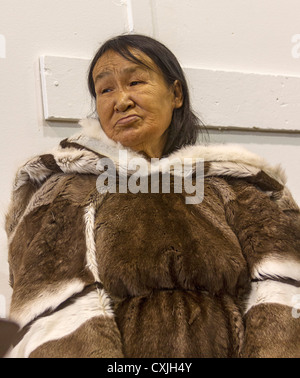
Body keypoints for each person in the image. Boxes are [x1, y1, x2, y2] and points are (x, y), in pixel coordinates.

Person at [5, 34, 300, 358]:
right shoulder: (66, 191)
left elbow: (283, 300)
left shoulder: (241, 185)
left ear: (175, 93)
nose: (121, 100)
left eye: (135, 81)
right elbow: (48, 315)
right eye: (105, 89)